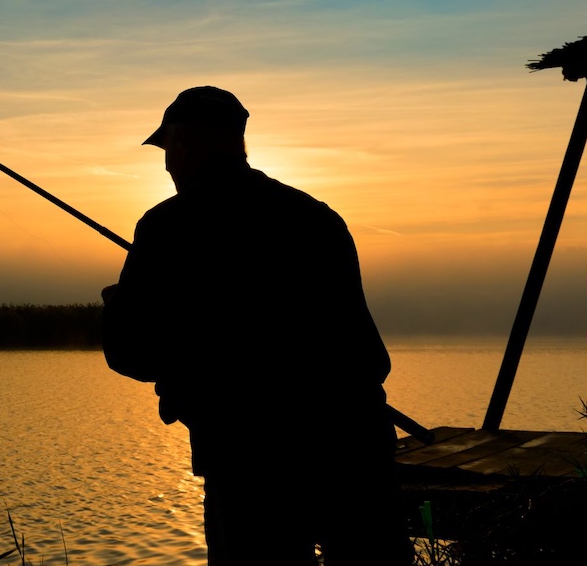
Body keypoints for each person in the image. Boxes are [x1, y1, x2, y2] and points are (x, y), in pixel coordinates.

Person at [101, 86, 411, 565]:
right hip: (354, 445)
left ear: (182, 143)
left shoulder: (168, 226)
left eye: (166, 151)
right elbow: (356, 345)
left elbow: (130, 353)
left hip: (248, 460)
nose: (166, 166)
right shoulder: (317, 217)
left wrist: (118, 307)